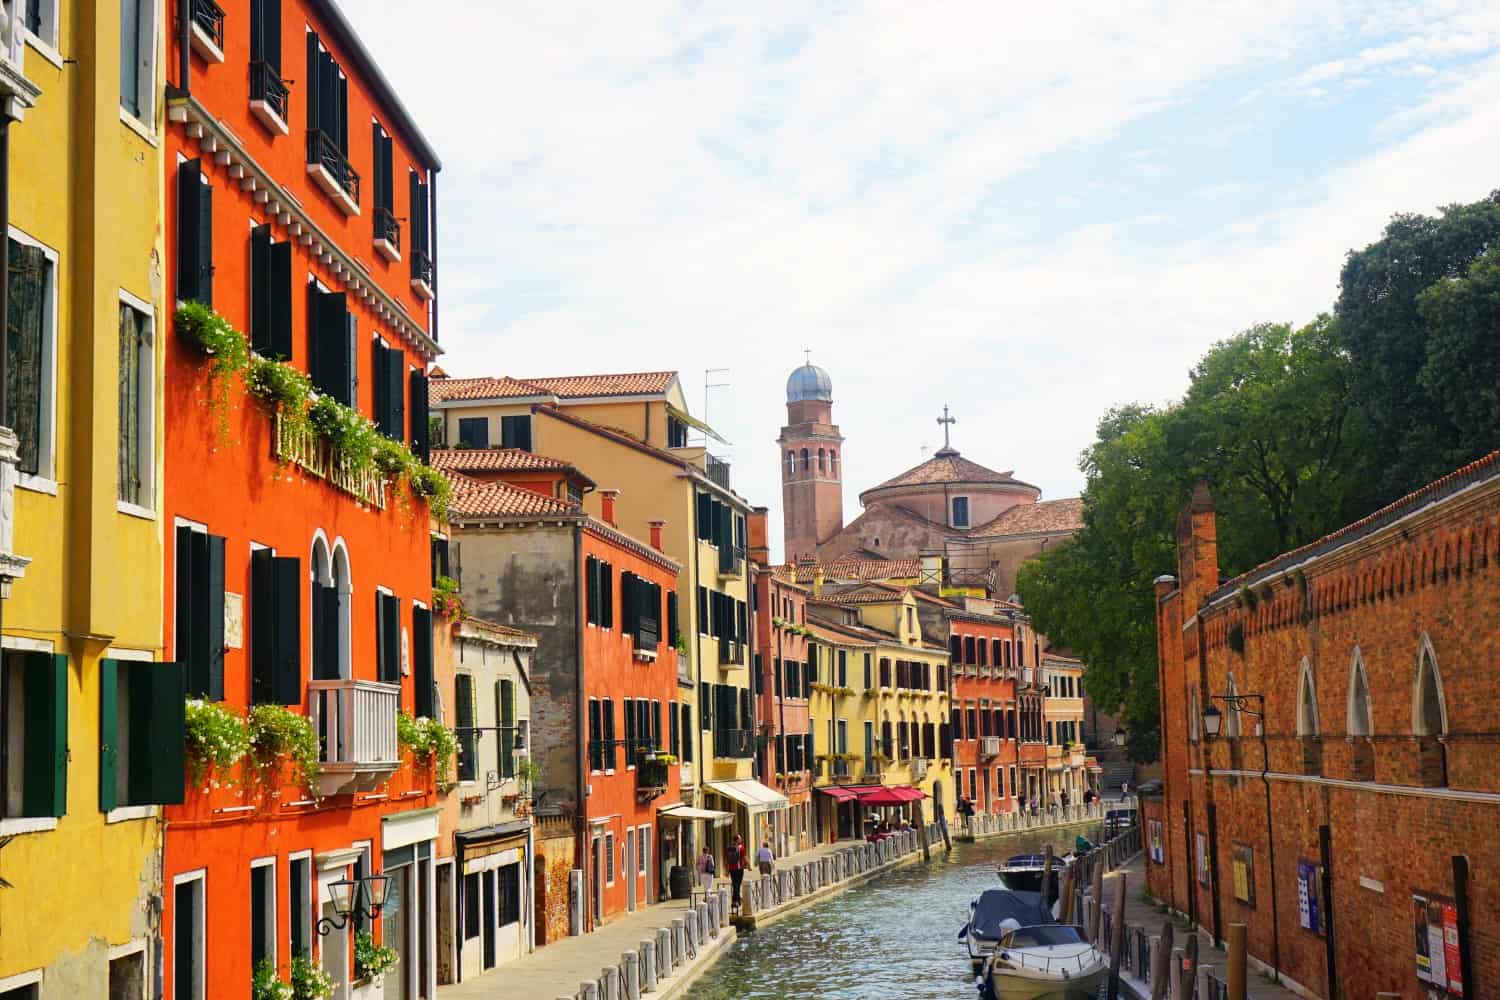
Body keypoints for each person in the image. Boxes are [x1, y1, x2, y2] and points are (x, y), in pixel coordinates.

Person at [726, 834, 748, 912]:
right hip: (739, 868)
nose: (741, 840)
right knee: (737, 884)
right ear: (737, 840)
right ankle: (735, 901)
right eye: (740, 839)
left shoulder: (729, 848)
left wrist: (727, 870)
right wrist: (748, 866)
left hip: (732, 869)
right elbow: (744, 858)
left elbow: (728, 860)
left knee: (734, 883)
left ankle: (736, 900)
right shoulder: (741, 848)